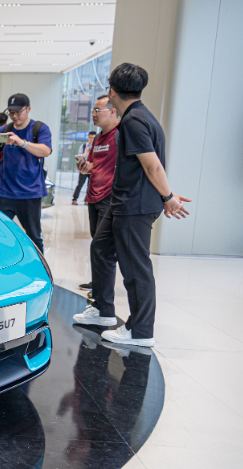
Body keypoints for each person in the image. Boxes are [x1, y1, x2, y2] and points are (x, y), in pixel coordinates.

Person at [73, 63, 191, 347]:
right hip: (122, 201)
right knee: (100, 248)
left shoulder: (134, 121)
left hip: (135, 205)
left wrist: (168, 197)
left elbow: (152, 166)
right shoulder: (138, 116)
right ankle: (102, 310)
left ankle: (140, 331)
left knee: (135, 267)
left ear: (112, 90)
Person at [0, 94, 52, 252]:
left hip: (30, 194)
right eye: (11, 113)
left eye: (18, 112)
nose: (14, 116)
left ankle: (38, 271)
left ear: (28, 109)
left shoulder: (39, 129)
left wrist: (22, 142)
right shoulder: (4, 130)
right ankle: (3, 268)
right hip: (5, 193)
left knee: (34, 236)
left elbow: (45, 151)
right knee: (0, 235)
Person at [77, 97, 118, 292]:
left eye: (97, 110)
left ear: (112, 111)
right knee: (96, 242)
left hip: (110, 197)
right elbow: (94, 164)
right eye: (92, 110)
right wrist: (85, 167)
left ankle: (103, 290)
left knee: (104, 246)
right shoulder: (100, 137)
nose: (93, 114)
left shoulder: (121, 135)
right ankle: (97, 283)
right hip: (94, 195)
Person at [72, 131, 96, 205]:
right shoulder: (84, 146)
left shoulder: (97, 146)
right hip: (84, 168)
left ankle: (87, 200)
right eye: (90, 138)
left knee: (90, 185)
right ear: (88, 137)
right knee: (80, 184)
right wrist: (86, 152)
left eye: (93, 138)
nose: (92, 139)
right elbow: (80, 156)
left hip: (92, 169)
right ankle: (75, 199)